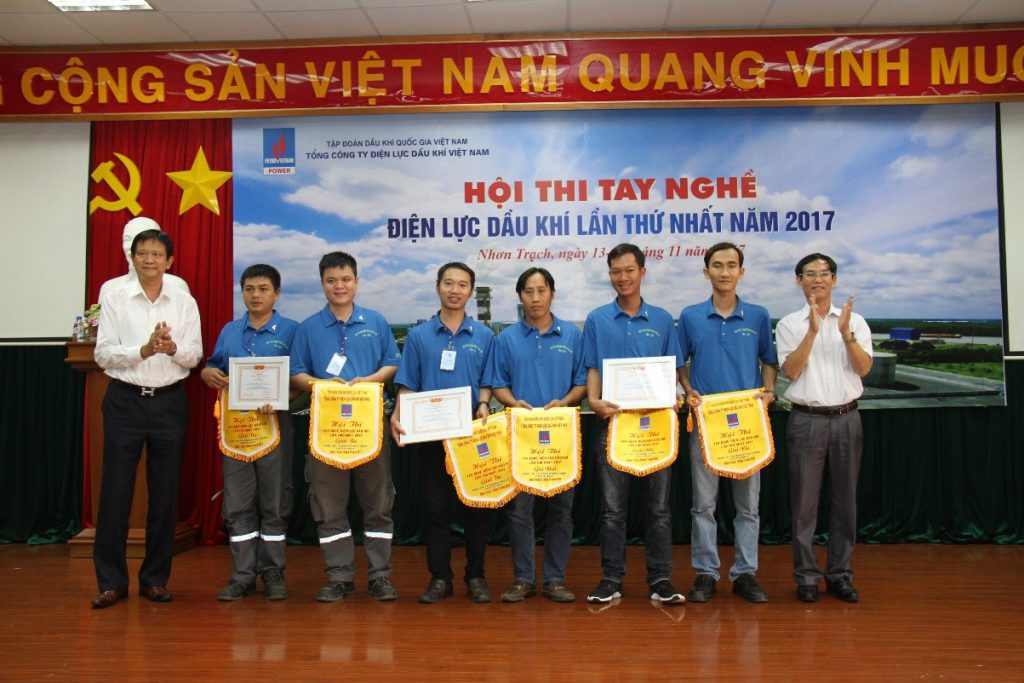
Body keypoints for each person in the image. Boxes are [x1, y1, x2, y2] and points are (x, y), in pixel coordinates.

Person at [90, 228, 203, 609]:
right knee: (115, 492)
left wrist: (170, 348)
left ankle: (155, 580)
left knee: (164, 494)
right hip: (125, 401)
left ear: (169, 261)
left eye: (157, 254)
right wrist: (142, 350)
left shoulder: (184, 301)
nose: (149, 260)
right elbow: (103, 354)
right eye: (142, 253)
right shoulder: (115, 297)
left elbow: (194, 355)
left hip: (169, 402)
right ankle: (111, 582)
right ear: (133, 257)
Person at [290, 252, 402, 602]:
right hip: (326, 429)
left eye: (345, 279)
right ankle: (339, 576)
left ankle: (380, 576)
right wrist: (320, 385)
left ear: (356, 281)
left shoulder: (376, 321)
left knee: (378, 503)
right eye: (331, 280)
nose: (339, 286)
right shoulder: (309, 327)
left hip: (370, 427)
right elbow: (296, 373)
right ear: (322, 283)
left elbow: (392, 364)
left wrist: (370, 380)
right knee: (328, 505)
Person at [583, 243, 686, 605]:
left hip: (655, 427)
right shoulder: (597, 319)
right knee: (613, 510)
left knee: (659, 509)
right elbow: (592, 367)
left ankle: (661, 579)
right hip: (612, 425)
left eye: (629, 270)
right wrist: (593, 401)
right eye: (616, 271)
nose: (622, 278)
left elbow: (673, 369)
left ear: (643, 272)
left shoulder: (662, 319)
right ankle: (611, 579)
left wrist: (677, 395)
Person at [678, 241, 777, 604]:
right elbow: (680, 362)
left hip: (748, 424)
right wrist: (689, 389)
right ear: (706, 272)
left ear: (741, 272)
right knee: (703, 505)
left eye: (731, 265)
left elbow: (769, 360)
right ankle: (706, 572)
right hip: (706, 424)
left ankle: (745, 573)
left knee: (748, 506)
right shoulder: (690, 316)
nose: (724, 272)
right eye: (717, 265)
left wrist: (769, 392)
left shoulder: (758, 316)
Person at [390, 262, 494, 604]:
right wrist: (397, 415)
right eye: (448, 283)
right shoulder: (419, 336)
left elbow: (488, 382)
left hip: (471, 435)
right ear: (438, 288)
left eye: (462, 284)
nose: (455, 290)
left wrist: (483, 403)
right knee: (435, 508)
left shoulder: (484, 336)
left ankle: (476, 576)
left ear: (470, 291)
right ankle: (440, 577)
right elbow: (408, 383)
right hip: (431, 436)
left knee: (476, 506)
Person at [484, 267, 586, 604]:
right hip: (520, 437)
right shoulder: (506, 339)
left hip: (562, 437)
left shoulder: (571, 336)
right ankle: (523, 579)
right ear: (520, 296)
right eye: (528, 291)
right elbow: (498, 383)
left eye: (542, 290)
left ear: (552, 293)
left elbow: (583, 382)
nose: (536, 298)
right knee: (519, 513)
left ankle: (555, 579)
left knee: (562, 512)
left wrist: (566, 401)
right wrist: (514, 403)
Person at [775, 253, 872, 604]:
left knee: (845, 502)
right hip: (807, 420)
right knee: (804, 505)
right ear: (798, 281)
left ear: (834, 279)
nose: (817, 279)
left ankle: (840, 574)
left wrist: (846, 336)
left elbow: (863, 369)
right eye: (810, 274)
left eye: (824, 273)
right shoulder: (789, 324)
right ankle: (806, 577)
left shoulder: (855, 321)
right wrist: (813, 332)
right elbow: (791, 371)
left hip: (847, 419)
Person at [200, 264, 299, 601]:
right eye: (249, 289)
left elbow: (301, 379)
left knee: (275, 502)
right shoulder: (230, 331)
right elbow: (213, 365)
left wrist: (283, 398)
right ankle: (242, 575)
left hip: (275, 428)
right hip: (236, 430)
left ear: (276, 293)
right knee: (238, 504)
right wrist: (208, 374)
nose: (256, 295)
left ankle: (273, 572)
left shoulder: (291, 331)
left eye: (263, 289)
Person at [97, 216, 190, 301]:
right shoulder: (109, 288)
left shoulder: (177, 285)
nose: (132, 246)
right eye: (127, 239)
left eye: (141, 240)